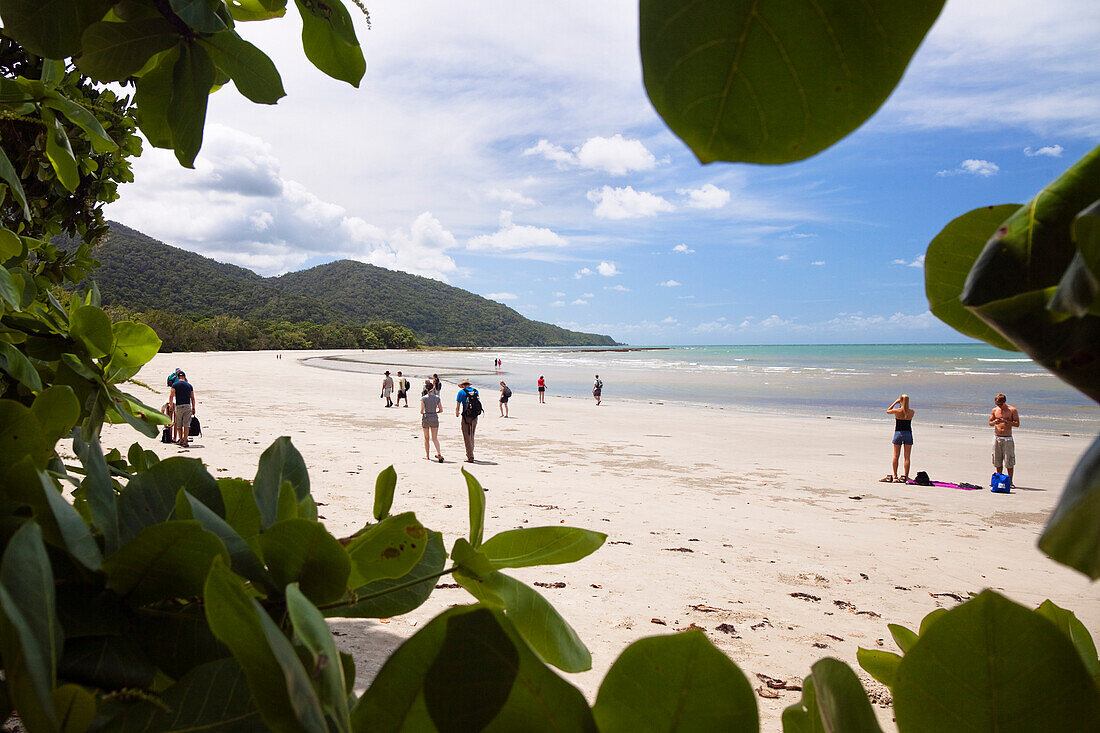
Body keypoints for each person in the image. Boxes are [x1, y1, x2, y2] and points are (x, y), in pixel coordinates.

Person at [881, 394, 914, 483]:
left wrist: (895, 402)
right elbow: (906, 411)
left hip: (898, 433)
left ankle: (895, 476)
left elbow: (888, 411)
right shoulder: (912, 412)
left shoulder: (897, 411)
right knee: (907, 457)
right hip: (908, 434)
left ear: (901, 401)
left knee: (896, 456)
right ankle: (906, 476)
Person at [989, 393, 1019, 487]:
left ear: (1004, 402)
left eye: (1000, 404)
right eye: (997, 404)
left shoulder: (1012, 410)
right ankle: (999, 479)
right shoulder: (995, 410)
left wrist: (1008, 422)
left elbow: (1017, 424)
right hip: (997, 437)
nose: (999, 406)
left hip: (1007, 438)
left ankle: (1010, 482)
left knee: (1009, 460)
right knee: (997, 460)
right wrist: (994, 422)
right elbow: (990, 422)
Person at [455, 378, 482, 462]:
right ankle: (471, 452)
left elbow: (458, 405)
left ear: (463, 385)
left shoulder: (461, 392)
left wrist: (457, 412)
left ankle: (470, 456)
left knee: (466, 435)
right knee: (472, 434)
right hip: (475, 415)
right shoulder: (475, 391)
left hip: (466, 416)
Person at [170, 368, 196, 448]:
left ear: (178, 377)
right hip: (187, 406)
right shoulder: (189, 386)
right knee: (186, 424)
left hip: (178, 406)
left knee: (179, 424)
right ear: (185, 377)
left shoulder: (175, 385)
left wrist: (171, 405)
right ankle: (185, 441)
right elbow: (192, 398)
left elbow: (171, 396)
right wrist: (193, 408)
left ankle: (180, 440)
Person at [421, 379, 444, 462]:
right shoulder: (437, 398)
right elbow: (441, 410)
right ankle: (439, 453)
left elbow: (421, 411)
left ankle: (427, 456)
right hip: (434, 416)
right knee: (435, 438)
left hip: (426, 417)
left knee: (426, 438)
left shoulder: (423, 398)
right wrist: (435, 411)